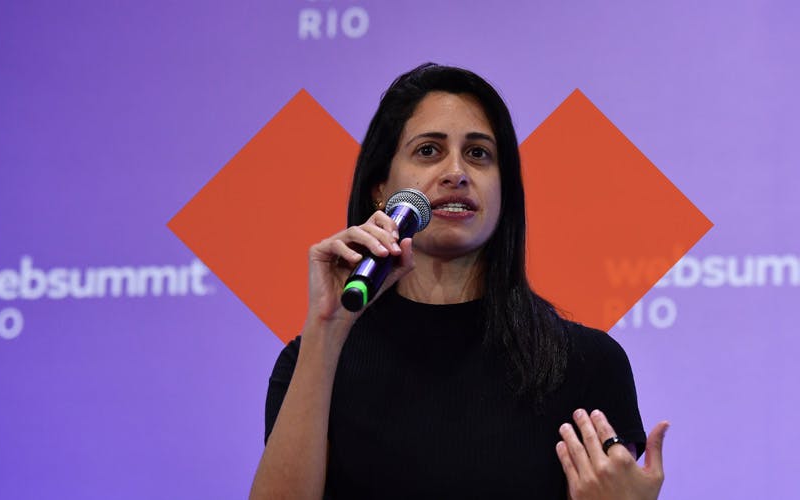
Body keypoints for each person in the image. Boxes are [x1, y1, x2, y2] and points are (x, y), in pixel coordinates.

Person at [249, 63, 668, 499]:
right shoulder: (314, 361)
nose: (456, 172)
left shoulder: (586, 362)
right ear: (380, 188)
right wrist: (326, 329)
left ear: (504, 191)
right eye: (428, 151)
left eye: (478, 154)